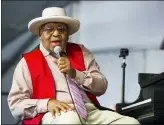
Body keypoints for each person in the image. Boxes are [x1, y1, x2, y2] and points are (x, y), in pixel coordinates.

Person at [8, 7, 140, 124]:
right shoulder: (28, 62)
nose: (56, 34)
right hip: (53, 115)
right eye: (49, 29)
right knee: (71, 120)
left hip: (90, 112)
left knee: (131, 122)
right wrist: (47, 103)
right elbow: (16, 104)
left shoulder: (81, 52)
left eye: (61, 29)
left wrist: (75, 74)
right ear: (40, 35)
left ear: (68, 34)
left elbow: (101, 86)